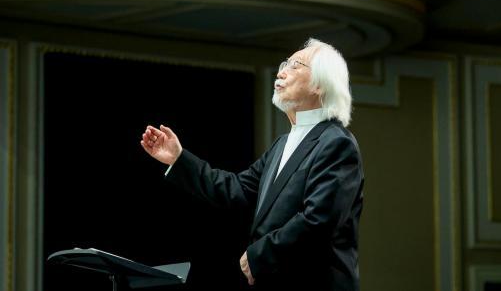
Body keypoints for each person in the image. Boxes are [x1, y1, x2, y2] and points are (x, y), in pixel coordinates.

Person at [140, 38, 364, 291]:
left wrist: (259, 255)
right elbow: (236, 189)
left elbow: (319, 221)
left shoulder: (336, 143)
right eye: (284, 64)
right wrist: (179, 159)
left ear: (320, 85)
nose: (281, 72)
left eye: (295, 66)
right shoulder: (282, 144)